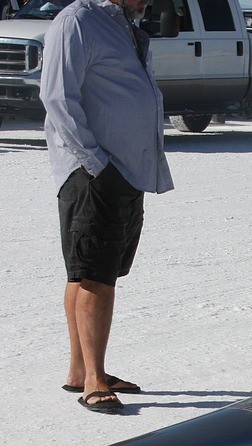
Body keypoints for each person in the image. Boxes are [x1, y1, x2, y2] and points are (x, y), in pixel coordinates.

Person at [40, 0, 174, 413]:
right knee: (96, 277)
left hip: (122, 168)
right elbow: (57, 96)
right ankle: (94, 381)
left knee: (90, 272)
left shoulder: (123, 25)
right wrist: (96, 163)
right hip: (97, 170)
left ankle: (81, 370)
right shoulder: (79, 20)